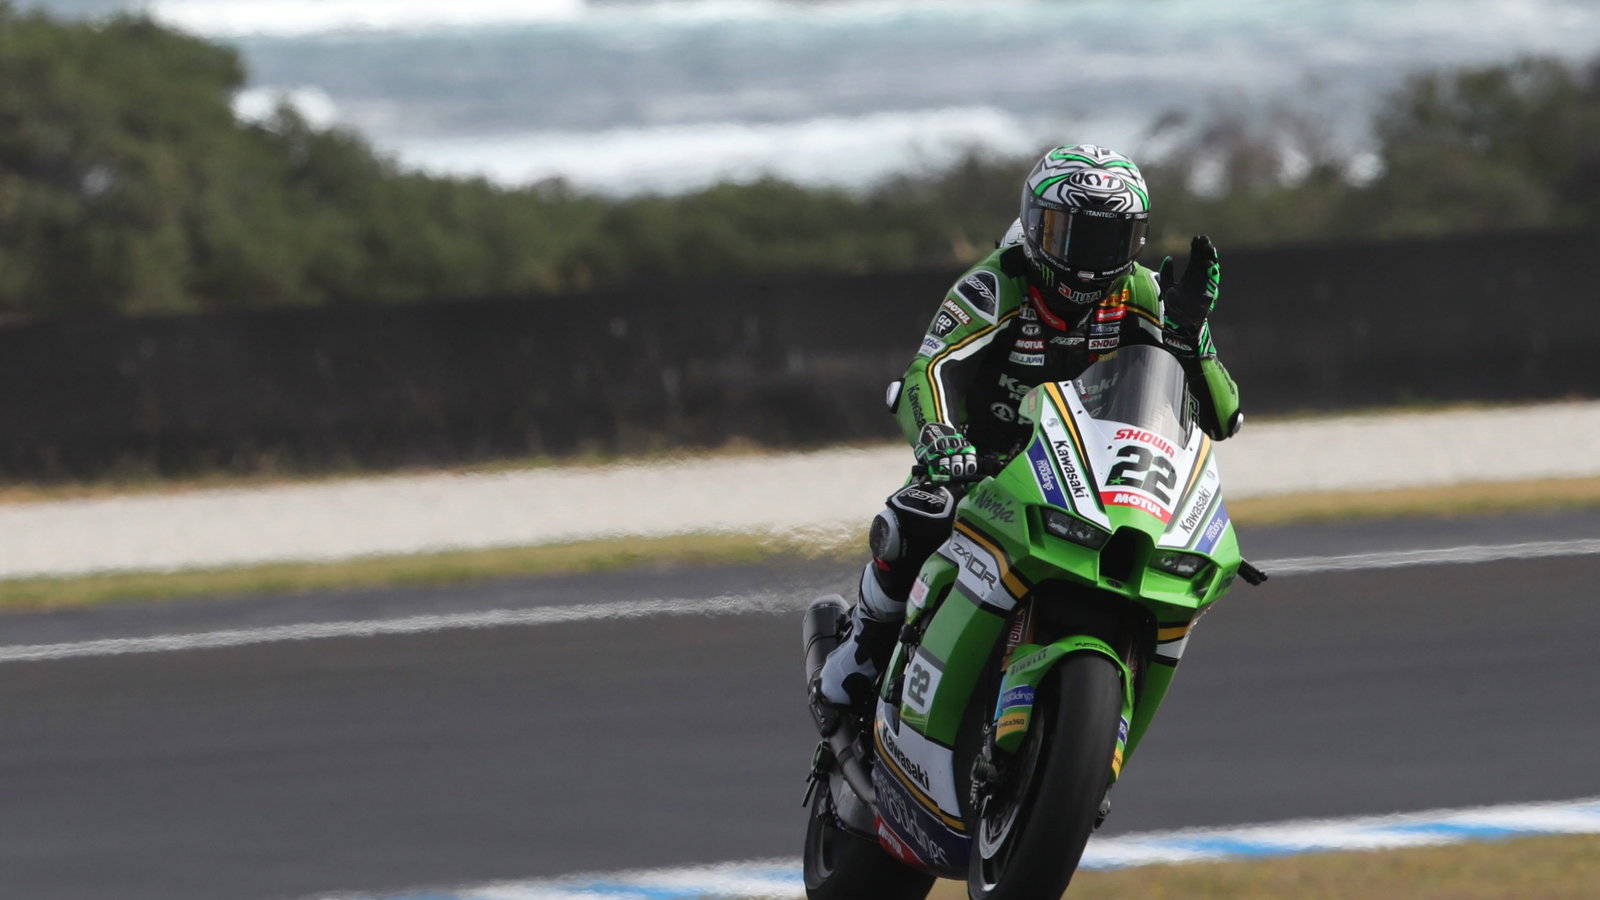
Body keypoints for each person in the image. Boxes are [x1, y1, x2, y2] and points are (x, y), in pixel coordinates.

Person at [814, 143, 1243, 713]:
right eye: (1072, 236)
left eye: (1106, 240)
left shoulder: (1141, 292)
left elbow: (1223, 415)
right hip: (985, 466)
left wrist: (1193, 339)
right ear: (1036, 227)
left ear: (1134, 241)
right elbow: (928, 370)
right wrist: (939, 437)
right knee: (915, 515)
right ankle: (864, 649)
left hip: (1093, 479)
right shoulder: (999, 282)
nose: (1088, 262)